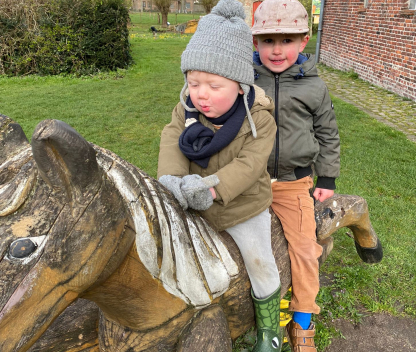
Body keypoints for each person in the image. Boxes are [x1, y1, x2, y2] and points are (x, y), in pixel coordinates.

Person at [157, 0, 283, 350]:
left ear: (240, 86)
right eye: (194, 82)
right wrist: (171, 178)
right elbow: (172, 141)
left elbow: (249, 166)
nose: (201, 94)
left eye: (213, 86)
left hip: (241, 206)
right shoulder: (187, 109)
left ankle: (269, 332)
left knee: (260, 262)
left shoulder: (260, 120)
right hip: (191, 199)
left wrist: (212, 191)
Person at [252, 0, 341, 351]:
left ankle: (303, 321)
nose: (277, 50)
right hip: (250, 179)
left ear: (304, 41)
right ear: (255, 42)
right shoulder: (243, 79)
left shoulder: (314, 87)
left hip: (294, 181)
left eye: (287, 40)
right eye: (268, 40)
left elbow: (328, 133)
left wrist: (327, 178)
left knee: (305, 249)